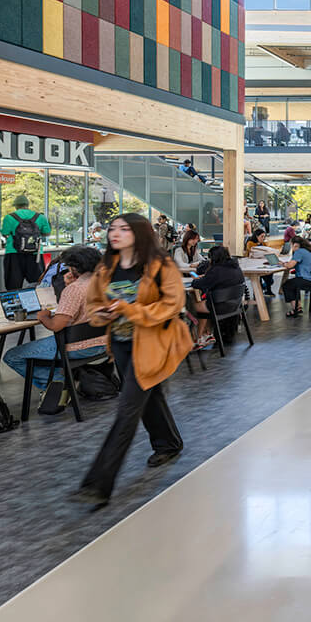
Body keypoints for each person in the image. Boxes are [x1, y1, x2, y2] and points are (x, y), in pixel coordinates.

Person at [73, 213, 188, 507]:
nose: (115, 233)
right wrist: (105, 314)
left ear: (140, 233)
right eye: (113, 228)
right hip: (122, 345)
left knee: (127, 409)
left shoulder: (161, 265)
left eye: (124, 229)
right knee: (148, 396)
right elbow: (94, 306)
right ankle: (169, 443)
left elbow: (172, 304)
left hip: (154, 343)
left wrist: (130, 309)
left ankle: (98, 483)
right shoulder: (106, 268)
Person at [2, 245, 108, 412]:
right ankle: (66, 379)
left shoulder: (75, 289)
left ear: (73, 266)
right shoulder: (105, 281)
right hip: (104, 344)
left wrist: (43, 316)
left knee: (13, 356)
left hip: (77, 347)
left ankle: (60, 386)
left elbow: (56, 325)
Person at [189, 245, 247, 344]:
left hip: (219, 307)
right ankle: (205, 334)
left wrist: (200, 279)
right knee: (206, 303)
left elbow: (196, 284)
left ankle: (197, 337)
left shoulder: (216, 270)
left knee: (190, 305)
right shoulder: (236, 268)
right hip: (236, 305)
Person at [1, 195, 51, 290]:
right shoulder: (40, 217)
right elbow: (46, 233)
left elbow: (5, 233)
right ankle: (36, 303)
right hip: (35, 254)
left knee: (13, 285)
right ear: (27, 205)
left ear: (15, 206)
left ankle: (14, 303)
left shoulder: (9, 217)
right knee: (37, 284)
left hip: (14, 254)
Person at [281, 236, 311, 318]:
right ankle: (298, 307)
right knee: (294, 282)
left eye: (292, 245)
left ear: (295, 245)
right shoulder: (309, 250)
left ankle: (296, 309)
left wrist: (282, 264)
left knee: (287, 285)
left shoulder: (299, 251)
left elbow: (290, 265)